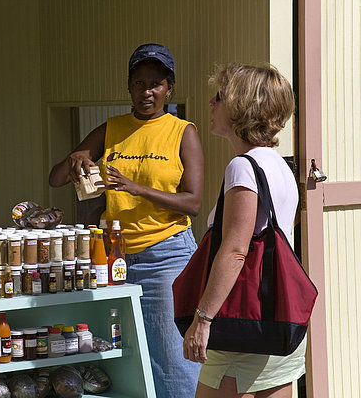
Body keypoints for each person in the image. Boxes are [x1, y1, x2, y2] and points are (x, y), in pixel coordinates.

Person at [49, 43, 204, 397]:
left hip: (166, 256)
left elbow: (192, 203)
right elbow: (56, 179)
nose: (146, 92)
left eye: (155, 84)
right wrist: (75, 157)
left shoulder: (183, 132)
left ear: (170, 87)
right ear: (128, 87)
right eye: (138, 83)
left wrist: (136, 188)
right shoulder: (111, 128)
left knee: (172, 359)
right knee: (124, 356)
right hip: (113, 258)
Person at [182, 63, 305, 397]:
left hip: (239, 325)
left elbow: (236, 249)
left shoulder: (243, 166)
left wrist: (202, 320)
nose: (211, 103)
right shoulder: (279, 165)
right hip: (276, 322)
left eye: (219, 96)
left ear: (241, 107)